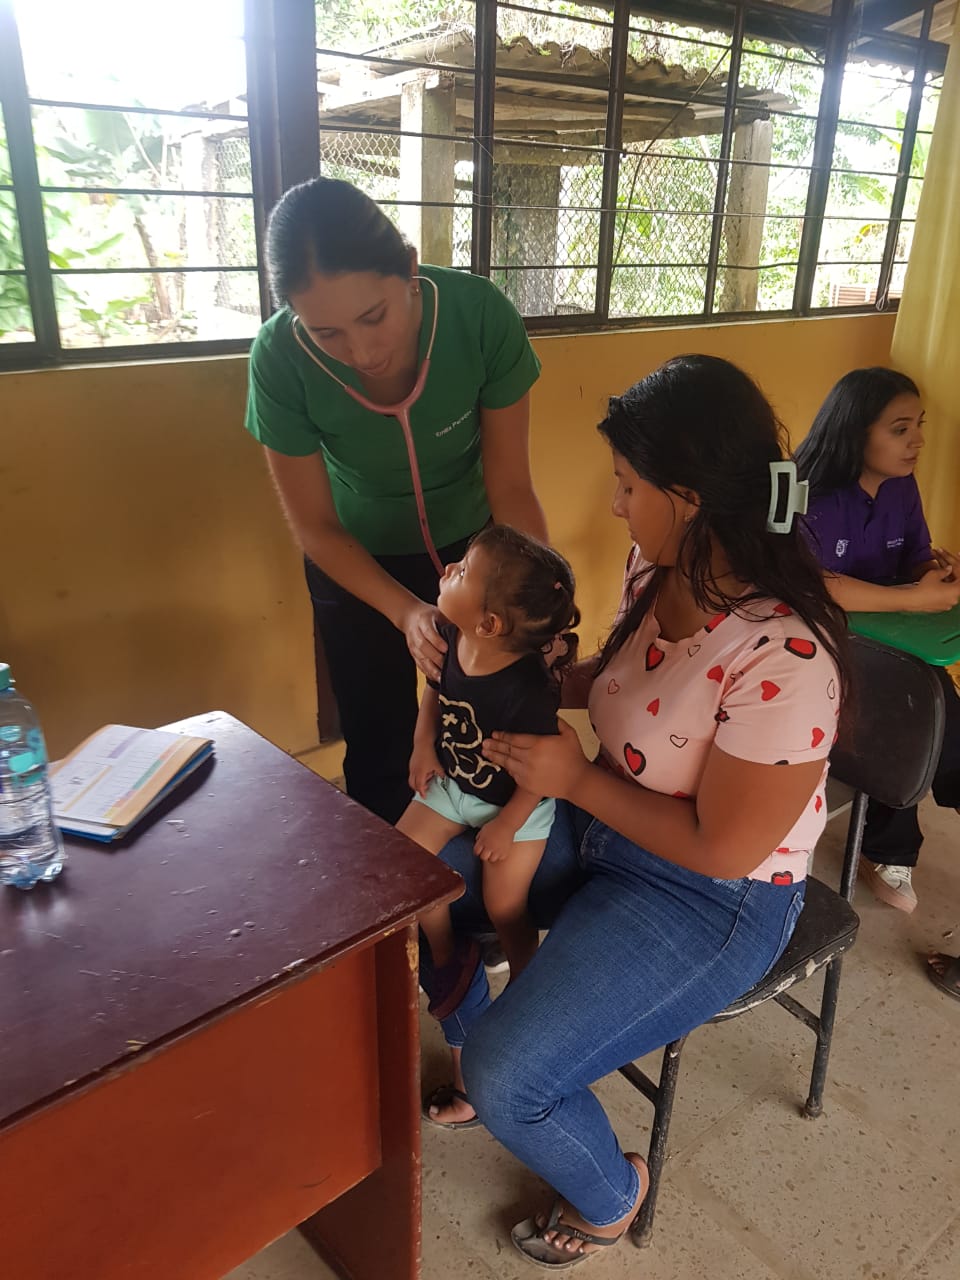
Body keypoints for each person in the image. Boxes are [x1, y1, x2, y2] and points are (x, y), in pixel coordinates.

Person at [419, 355, 848, 1268]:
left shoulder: (786, 656)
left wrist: (572, 782)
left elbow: (723, 848)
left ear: (686, 497)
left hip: (713, 897)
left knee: (511, 1076)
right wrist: (514, 678)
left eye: (625, 485)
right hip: (608, 824)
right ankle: (477, 1045)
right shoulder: (655, 573)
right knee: (430, 881)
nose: (615, 505)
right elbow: (625, 687)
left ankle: (610, 1194)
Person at [244, 177, 547, 824]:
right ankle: (391, 880)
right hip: (355, 560)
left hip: (474, 557)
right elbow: (316, 527)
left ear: (409, 269)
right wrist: (404, 610)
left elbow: (511, 488)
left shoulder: (477, 317)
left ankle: (483, 870)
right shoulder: (278, 359)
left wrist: (540, 598)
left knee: (485, 726)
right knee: (379, 746)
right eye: (326, 332)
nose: (361, 352)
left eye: (373, 317)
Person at [796, 368, 960, 930]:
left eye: (919, 426)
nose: (918, 440)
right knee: (919, 704)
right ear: (854, 430)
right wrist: (914, 599)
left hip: (891, 638)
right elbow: (815, 585)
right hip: (818, 643)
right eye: (900, 428)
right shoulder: (808, 493)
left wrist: (934, 577)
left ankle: (889, 844)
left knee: (930, 700)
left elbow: (914, 555)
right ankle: (889, 847)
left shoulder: (900, 486)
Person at [398, 525, 579, 1017]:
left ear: (490, 624)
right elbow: (435, 688)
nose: (449, 568)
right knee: (406, 865)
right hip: (453, 783)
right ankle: (447, 956)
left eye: (463, 571)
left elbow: (541, 772)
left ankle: (525, 983)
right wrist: (422, 746)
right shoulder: (448, 634)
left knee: (505, 906)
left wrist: (508, 824)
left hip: (517, 804)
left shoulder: (527, 690)